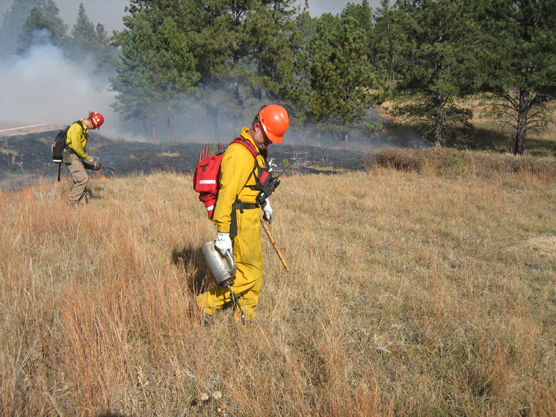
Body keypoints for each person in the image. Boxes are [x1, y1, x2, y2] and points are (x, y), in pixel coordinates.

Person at [196, 104, 290, 322]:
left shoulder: (255, 151)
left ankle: (245, 312)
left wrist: (264, 201)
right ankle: (204, 304)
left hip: (250, 215)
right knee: (251, 271)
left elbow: (252, 182)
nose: (268, 143)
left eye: (271, 140)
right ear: (257, 126)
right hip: (238, 218)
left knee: (254, 265)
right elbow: (227, 195)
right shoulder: (239, 153)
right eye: (267, 138)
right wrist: (222, 233)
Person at [64, 111, 104, 206]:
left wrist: (91, 164)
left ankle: (82, 205)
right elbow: (77, 147)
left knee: (80, 180)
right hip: (71, 155)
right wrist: (88, 158)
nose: (93, 128)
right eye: (94, 126)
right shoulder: (77, 128)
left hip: (76, 155)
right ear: (91, 122)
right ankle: (70, 202)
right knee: (83, 179)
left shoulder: (82, 128)